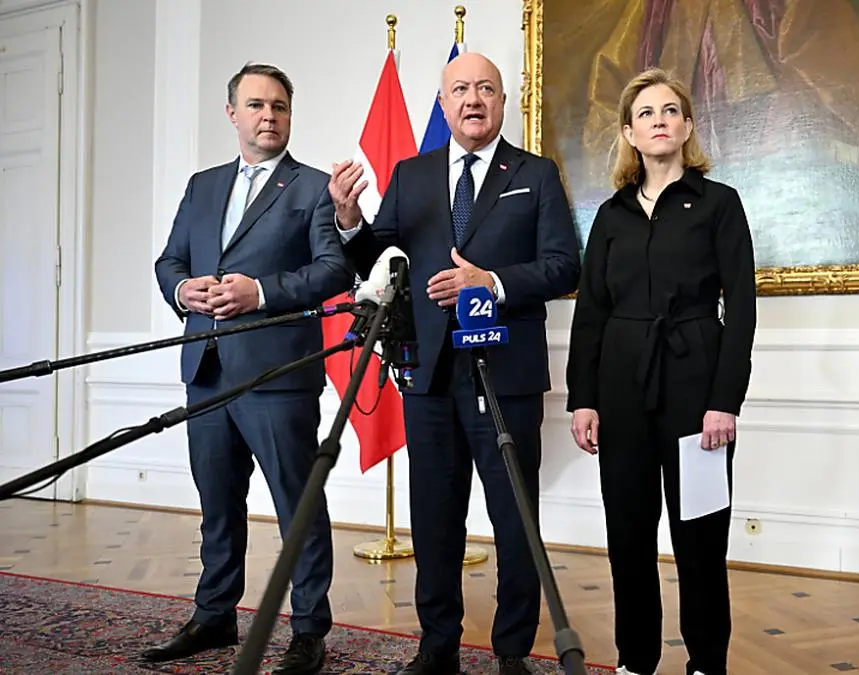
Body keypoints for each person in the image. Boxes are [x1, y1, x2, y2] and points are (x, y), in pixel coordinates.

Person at [327, 51, 580, 675]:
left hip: (507, 373)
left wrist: (491, 281)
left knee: (515, 519)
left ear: (503, 102)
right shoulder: (411, 174)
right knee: (434, 517)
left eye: (486, 89)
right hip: (429, 372)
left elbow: (563, 266)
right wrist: (350, 220)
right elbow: (376, 259)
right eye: (460, 89)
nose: (473, 99)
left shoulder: (536, 174)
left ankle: (512, 651)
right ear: (443, 104)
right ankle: (437, 646)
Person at [148, 63, 354, 675]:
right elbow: (170, 260)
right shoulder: (202, 185)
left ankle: (309, 630)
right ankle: (214, 615)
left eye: (280, 107)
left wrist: (259, 293)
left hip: (278, 375)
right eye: (258, 105)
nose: (270, 116)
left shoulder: (313, 188)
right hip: (206, 370)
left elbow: (333, 271)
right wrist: (182, 289)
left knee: (298, 506)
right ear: (232, 113)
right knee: (217, 502)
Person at [565, 67, 757, 675]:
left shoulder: (720, 204)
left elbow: (742, 309)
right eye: (645, 113)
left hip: (697, 387)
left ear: (688, 126)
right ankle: (635, 660)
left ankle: (706, 662)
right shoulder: (611, 214)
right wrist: (583, 398)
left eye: (670, 110)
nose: (659, 121)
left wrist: (725, 401)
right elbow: (591, 313)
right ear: (629, 132)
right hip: (621, 389)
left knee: (700, 535)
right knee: (627, 534)